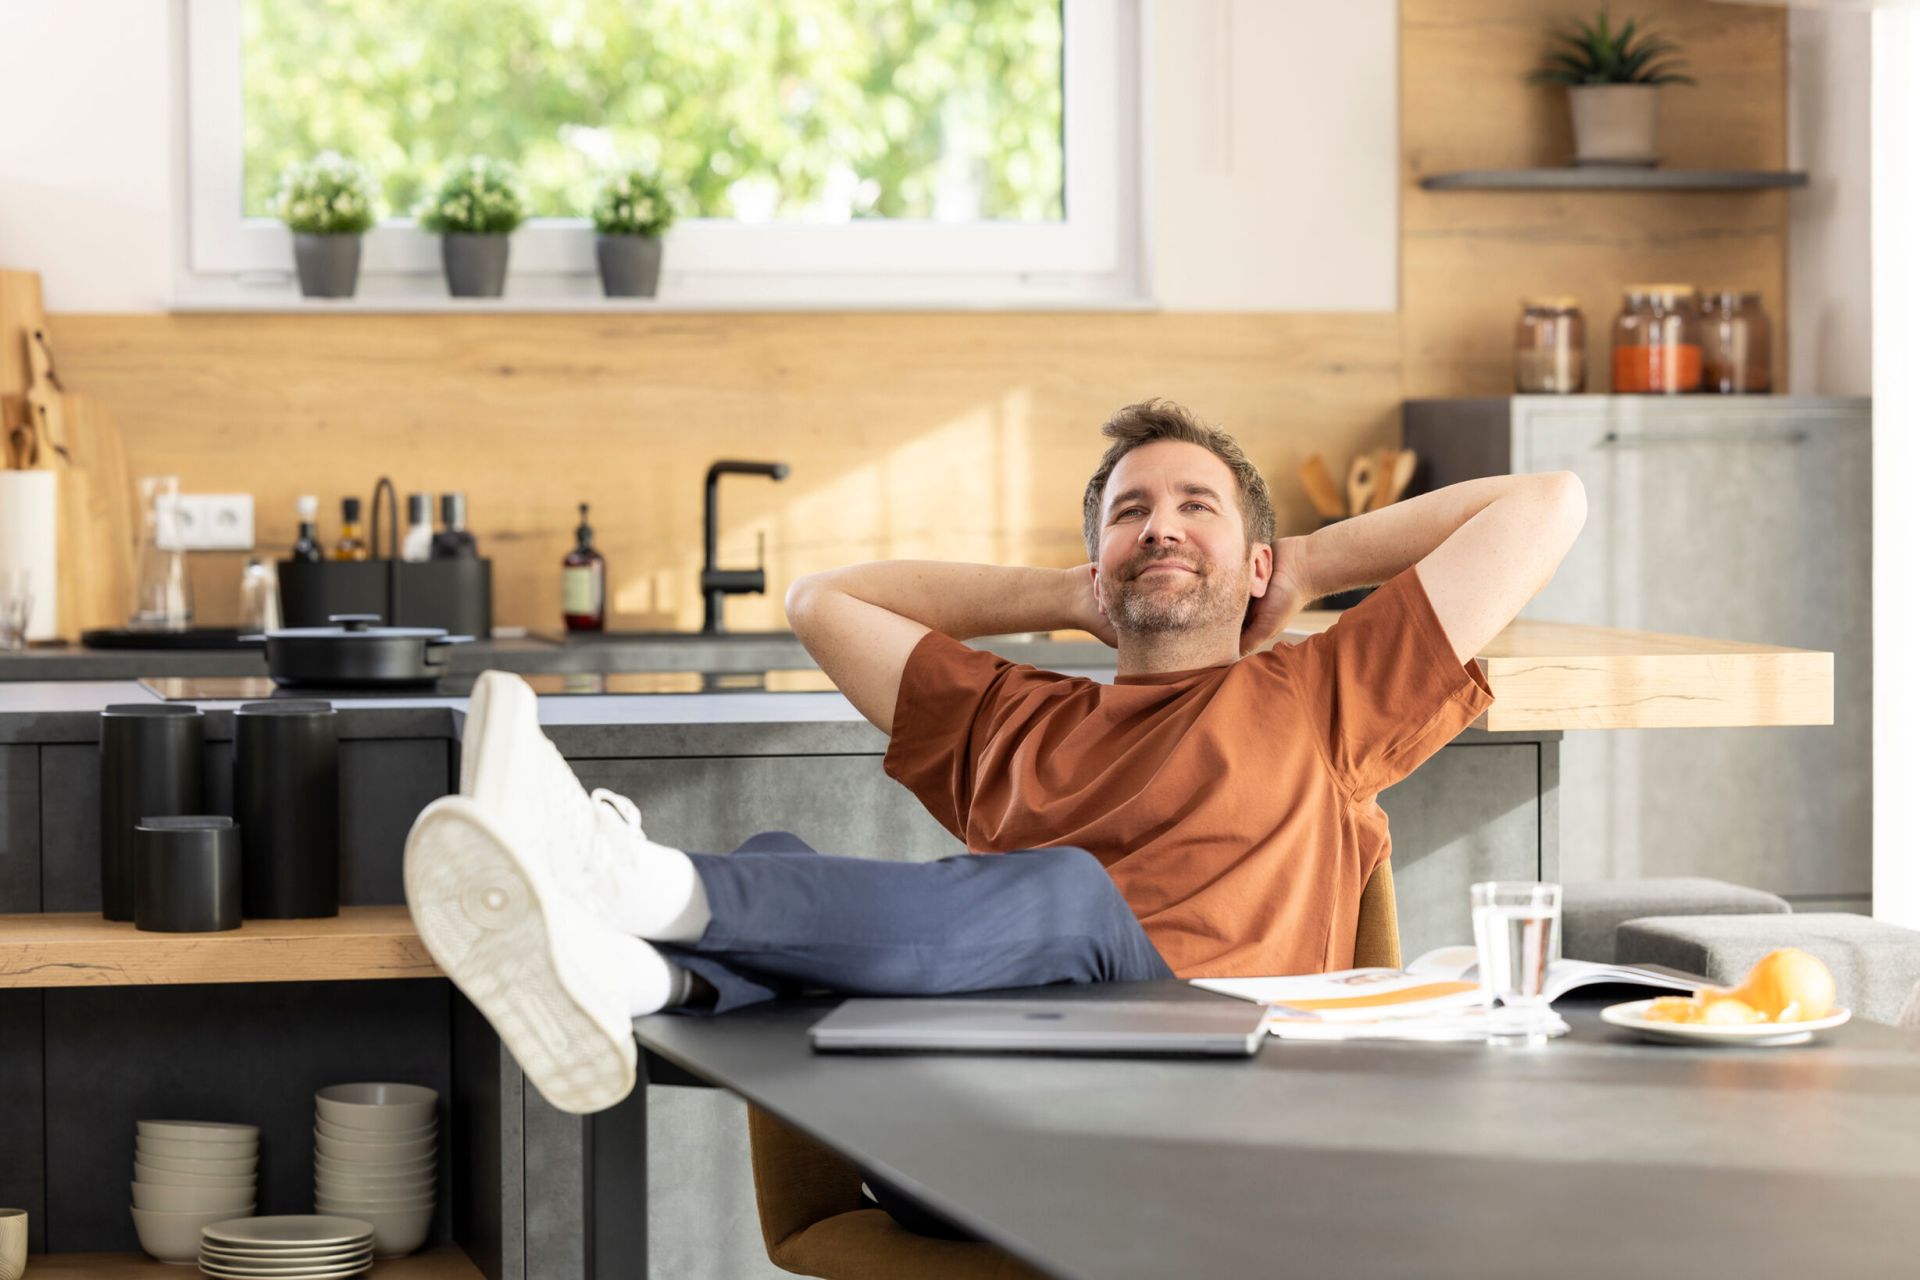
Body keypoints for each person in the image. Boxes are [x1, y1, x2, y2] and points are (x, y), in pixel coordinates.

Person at [404, 399, 1587, 1119]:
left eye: (1198, 507)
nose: (1161, 525)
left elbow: (1548, 501)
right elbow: (823, 601)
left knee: (1073, 892)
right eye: (1129, 513)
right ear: (1098, 565)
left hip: (1207, 1104)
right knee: (779, 859)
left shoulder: (1324, 695)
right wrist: (1061, 595)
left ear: (1255, 562)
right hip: (961, 1113)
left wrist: (1313, 563)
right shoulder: (1014, 716)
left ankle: (629, 888)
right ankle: (636, 979)